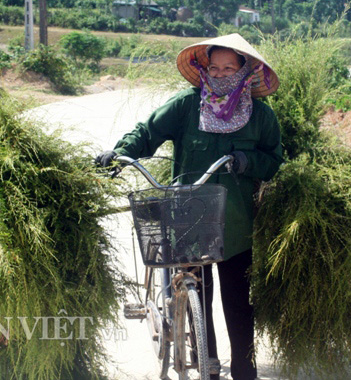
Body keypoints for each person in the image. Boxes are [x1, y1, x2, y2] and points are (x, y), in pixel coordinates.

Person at [96, 33, 283, 380]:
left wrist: (248, 160)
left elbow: (274, 160)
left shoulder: (260, 116)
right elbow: (147, 131)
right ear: (205, 68)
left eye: (230, 68)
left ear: (245, 71)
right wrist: (121, 154)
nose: (221, 74)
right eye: (215, 67)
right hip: (189, 220)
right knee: (201, 296)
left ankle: (245, 370)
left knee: (238, 302)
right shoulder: (186, 104)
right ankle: (207, 368)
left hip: (236, 225)